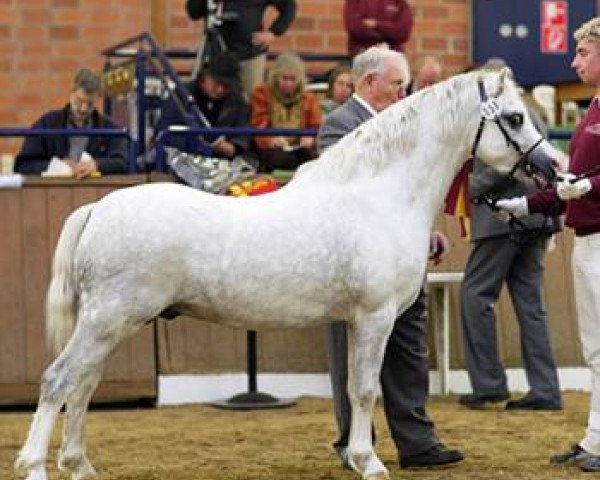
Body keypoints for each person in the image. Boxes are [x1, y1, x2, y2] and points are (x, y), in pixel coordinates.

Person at [317, 44, 464, 470]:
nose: (404, 93)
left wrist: (425, 230)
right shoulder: (338, 125)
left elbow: (410, 194)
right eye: (397, 84)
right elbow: (345, 193)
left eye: (405, 85)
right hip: (355, 265)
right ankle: (353, 441)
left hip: (402, 258)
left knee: (409, 350)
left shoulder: (404, 124)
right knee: (350, 351)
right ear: (369, 81)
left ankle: (417, 441)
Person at [495, 16, 600, 472]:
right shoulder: (593, 107)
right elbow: (574, 181)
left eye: (583, 53)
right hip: (587, 237)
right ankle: (596, 437)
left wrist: (586, 188)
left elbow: (586, 182)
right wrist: (527, 204)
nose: (574, 61)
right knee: (595, 348)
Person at [458, 116, 563, 411]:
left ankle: (489, 385)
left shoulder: (497, 117)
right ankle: (545, 389)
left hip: (502, 219)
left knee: (475, 296)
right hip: (539, 215)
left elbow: (509, 163)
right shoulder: (531, 113)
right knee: (531, 306)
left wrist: (471, 188)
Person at [15, 68, 128, 178]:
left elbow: (124, 163)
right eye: (79, 101)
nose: (83, 109)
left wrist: (97, 165)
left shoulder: (110, 129)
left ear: (98, 98)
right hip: (54, 192)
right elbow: (23, 165)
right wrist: (55, 166)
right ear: (72, 92)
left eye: (90, 104)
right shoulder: (47, 124)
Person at [155, 51, 253, 163]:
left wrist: (235, 147)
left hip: (224, 164)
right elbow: (165, 131)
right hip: (183, 159)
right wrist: (200, 144)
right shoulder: (182, 95)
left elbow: (243, 133)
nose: (220, 89)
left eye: (226, 86)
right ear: (204, 76)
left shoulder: (237, 101)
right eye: (216, 82)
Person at [186, 0, 297, 97]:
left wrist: (273, 32)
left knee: (251, 100)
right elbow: (193, 12)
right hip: (216, 56)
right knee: (212, 97)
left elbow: (289, 6)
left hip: (249, 55)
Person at [250, 51, 322, 172]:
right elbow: (258, 125)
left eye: (293, 79)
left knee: (311, 159)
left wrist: (310, 137)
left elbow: (317, 126)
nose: (288, 83)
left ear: (300, 80)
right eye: (284, 78)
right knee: (278, 158)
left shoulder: (309, 98)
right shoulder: (262, 93)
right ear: (276, 77)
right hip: (272, 149)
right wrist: (271, 140)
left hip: (299, 148)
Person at [343, 0, 413, 57]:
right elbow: (354, 28)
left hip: (393, 60)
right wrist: (389, 32)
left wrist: (376, 25)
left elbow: (403, 32)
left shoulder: (400, 2)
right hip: (362, 57)